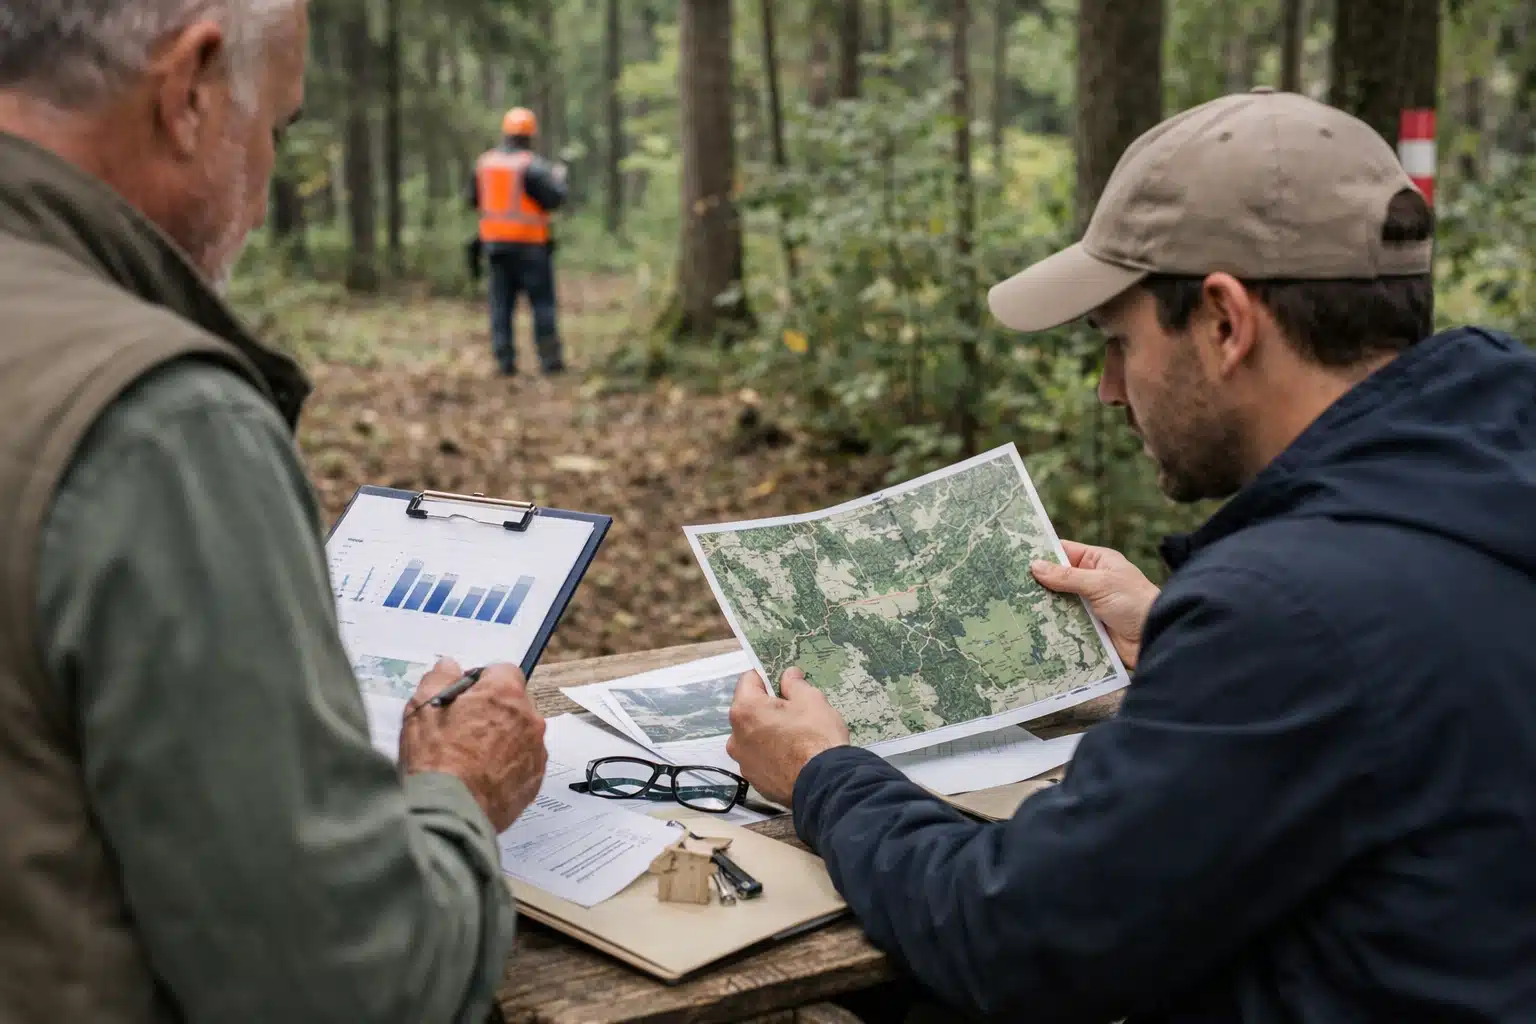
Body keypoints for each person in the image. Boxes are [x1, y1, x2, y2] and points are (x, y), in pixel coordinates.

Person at [726, 87, 1536, 1022]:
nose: (1111, 390)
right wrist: (1178, 628)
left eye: (1119, 341)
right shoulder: (1483, 489)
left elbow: (1018, 937)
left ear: (1226, 322)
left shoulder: (1293, 613)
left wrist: (824, 775)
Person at [0, 3, 548, 1021]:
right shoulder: (157, 423)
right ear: (193, 89)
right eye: (275, 126)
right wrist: (460, 788)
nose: (261, 188)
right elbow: (342, 981)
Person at [469, 106, 569, 377]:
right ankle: (550, 361)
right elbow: (554, 200)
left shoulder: (484, 164)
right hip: (531, 248)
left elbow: (473, 200)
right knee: (542, 305)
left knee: (501, 305)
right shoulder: (533, 167)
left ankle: (504, 360)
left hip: (495, 247)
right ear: (530, 136)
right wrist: (559, 180)